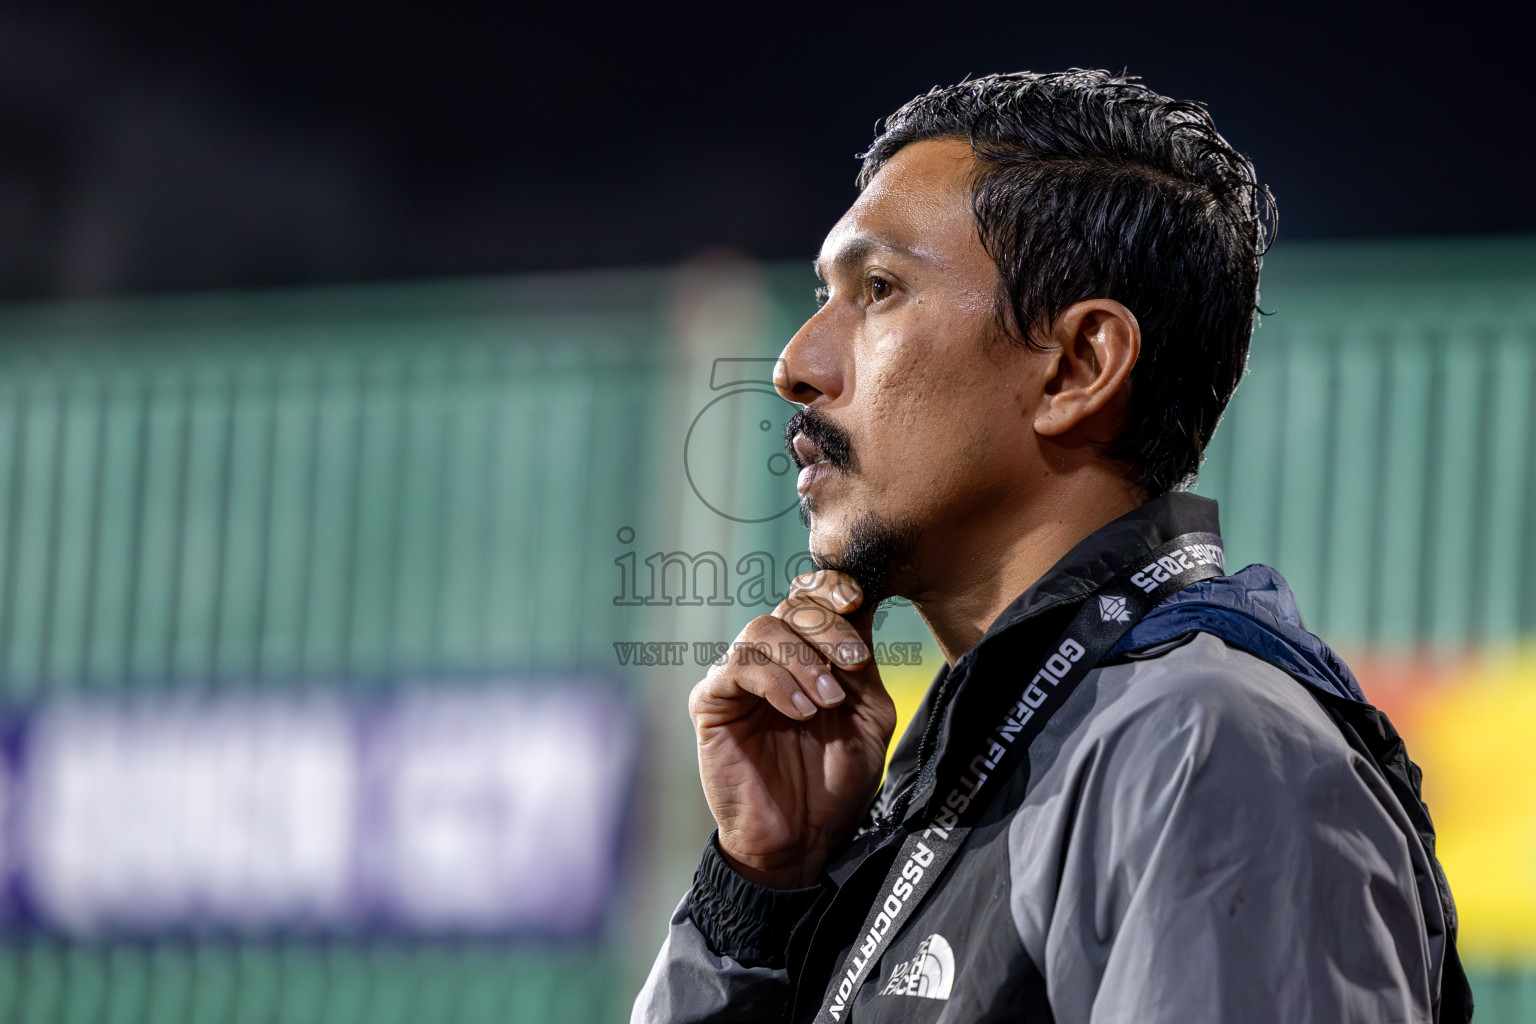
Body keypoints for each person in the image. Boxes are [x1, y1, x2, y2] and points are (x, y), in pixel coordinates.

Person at [633, 71, 1469, 1023]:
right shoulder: (994, 757)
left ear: (1078, 366)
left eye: (878, 290)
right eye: (824, 293)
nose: (794, 366)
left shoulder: (1208, 751)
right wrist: (760, 897)